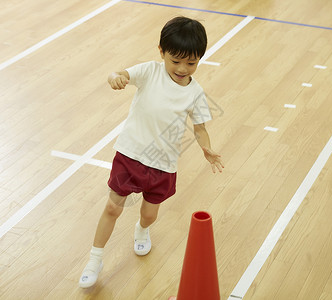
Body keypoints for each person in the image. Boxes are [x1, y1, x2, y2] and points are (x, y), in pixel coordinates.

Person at [79, 16, 224, 288]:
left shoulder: (195, 93)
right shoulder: (150, 72)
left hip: (162, 165)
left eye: (191, 63)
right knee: (112, 206)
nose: (182, 68)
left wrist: (207, 148)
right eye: (176, 60)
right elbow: (120, 73)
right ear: (161, 51)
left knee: (149, 214)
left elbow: (200, 127)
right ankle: (95, 258)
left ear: (199, 59)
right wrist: (116, 78)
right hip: (130, 155)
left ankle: (142, 230)